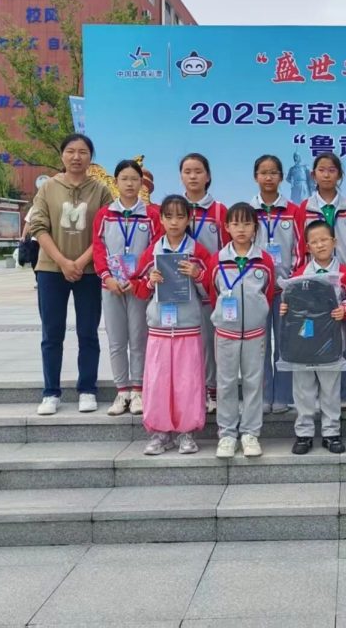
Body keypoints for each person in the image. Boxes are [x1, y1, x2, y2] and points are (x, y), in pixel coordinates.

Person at [28, 133, 114, 416]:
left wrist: (80, 262)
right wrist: (63, 262)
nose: (76, 157)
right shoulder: (48, 188)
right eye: (71, 151)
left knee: (88, 332)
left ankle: (87, 389)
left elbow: (105, 230)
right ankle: (50, 392)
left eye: (83, 152)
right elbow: (38, 227)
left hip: (89, 272)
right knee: (52, 333)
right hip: (51, 270)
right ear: (62, 155)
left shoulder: (101, 190)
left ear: (91, 158)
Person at [131, 195, 212, 455]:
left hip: (188, 326)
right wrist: (150, 282)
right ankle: (160, 432)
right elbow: (139, 289)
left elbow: (213, 289)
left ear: (189, 219)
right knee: (158, 380)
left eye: (180, 216)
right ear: (161, 220)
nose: (174, 222)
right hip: (160, 328)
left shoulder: (198, 252)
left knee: (188, 381)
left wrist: (198, 275)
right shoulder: (153, 251)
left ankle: (187, 432)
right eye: (169, 217)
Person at [297, 152, 346, 410]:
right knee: (313, 338)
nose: (326, 174)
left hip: (344, 283)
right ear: (313, 175)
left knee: (345, 338)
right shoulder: (304, 208)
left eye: (332, 170)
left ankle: (344, 395)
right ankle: (317, 395)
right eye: (321, 170)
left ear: (340, 175)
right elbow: (298, 247)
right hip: (312, 285)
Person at [92, 160, 161, 416]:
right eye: (124, 179)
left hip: (139, 286)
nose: (130, 184)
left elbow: (155, 248)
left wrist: (138, 278)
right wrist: (107, 277)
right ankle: (122, 391)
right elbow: (98, 248)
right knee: (117, 340)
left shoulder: (152, 215)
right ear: (115, 182)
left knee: (139, 338)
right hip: (111, 286)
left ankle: (138, 390)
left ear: (142, 183)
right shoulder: (105, 214)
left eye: (134, 179)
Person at [208, 202, 276, 458]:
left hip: (255, 334)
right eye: (235, 223)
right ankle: (227, 434)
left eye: (247, 223)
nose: (241, 229)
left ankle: (250, 433)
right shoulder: (217, 260)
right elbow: (213, 293)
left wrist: (256, 314)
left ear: (255, 227)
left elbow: (268, 293)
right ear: (226, 227)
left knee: (253, 383)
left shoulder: (264, 260)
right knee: (225, 384)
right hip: (226, 334)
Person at [283, 219, 346, 455]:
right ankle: (304, 433)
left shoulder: (343, 273)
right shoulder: (299, 274)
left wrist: (345, 309)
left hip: (331, 341)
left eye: (324, 240)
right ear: (307, 247)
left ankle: (331, 432)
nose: (320, 245)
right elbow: (290, 303)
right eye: (314, 242)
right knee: (303, 389)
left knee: (330, 389)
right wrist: (285, 308)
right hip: (304, 341)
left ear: (334, 242)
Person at [250, 155, 300, 415]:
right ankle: (262, 395)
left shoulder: (294, 210)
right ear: (255, 177)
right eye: (263, 172)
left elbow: (300, 249)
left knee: (285, 344)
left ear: (281, 177)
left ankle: (283, 395)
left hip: (285, 291)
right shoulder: (247, 211)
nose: (268, 177)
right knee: (259, 347)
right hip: (256, 291)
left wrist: (292, 280)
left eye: (273, 172)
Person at [179, 153, 228, 415]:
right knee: (186, 343)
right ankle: (189, 391)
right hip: (180, 287)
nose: (193, 176)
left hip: (209, 287)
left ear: (208, 176)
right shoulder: (174, 208)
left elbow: (228, 249)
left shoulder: (219, 211)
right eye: (187, 171)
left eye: (198, 171)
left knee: (210, 342)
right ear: (181, 176)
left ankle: (212, 390)